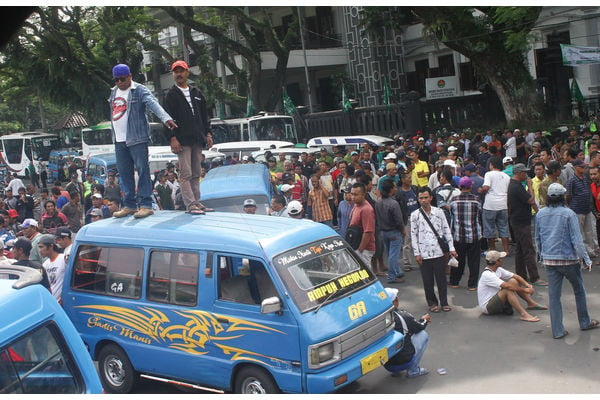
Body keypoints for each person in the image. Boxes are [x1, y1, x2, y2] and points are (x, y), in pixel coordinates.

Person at [109, 63, 177, 219]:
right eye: (117, 80)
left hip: (137, 138)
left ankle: (146, 204)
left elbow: (153, 104)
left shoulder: (139, 90)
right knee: (125, 173)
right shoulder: (113, 92)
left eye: (122, 79)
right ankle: (129, 205)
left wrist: (165, 118)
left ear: (130, 76)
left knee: (142, 170)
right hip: (119, 140)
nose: (119, 82)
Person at [535, 183, 599, 339]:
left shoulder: (540, 214)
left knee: (554, 296)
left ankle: (557, 331)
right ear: (563, 197)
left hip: (550, 261)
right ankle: (585, 322)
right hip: (569, 260)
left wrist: (541, 256)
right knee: (579, 290)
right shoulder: (568, 214)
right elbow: (577, 240)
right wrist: (586, 259)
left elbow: (537, 238)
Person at [163, 60, 214, 215]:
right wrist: (172, 138)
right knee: (185, 173)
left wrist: (208, 133)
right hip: (182, 140)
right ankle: (190, 204)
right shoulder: (170, 95)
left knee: (197, 172)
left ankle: (197, 201)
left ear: (187, 72)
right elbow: (166, 119)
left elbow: (205, 116)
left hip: (197, 138)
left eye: (181, 71)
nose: (179, 74)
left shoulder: (196, 93)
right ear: (173, 74)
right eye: (176, 71)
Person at [410, 187, 457, 312]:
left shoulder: (439, 212)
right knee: (428, 280)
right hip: (424, 253)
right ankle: (432, 303)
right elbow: (413, 235)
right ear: (418, 200)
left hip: (439, 251)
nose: (424, 200)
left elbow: (447, 230)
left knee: (441, 279)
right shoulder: (415, 215)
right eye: (421, 198)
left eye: (426, 197)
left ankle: (444, 302)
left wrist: (451, 247)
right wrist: (417, 253)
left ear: (431, 198)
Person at [477, 250, 545, 322]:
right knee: (507, 290)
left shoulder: (498, 269)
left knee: (513, 281)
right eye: (500, 259)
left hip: (497, 299)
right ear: (497, 262)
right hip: (487, 307)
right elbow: (507, 286)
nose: (502, 260)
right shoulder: (487, 274)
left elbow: (515, 276)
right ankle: (524, 314)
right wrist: (525, 290)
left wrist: (527, 285)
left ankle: (531, 303)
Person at [507, 163, 546, 286]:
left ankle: (521, 275)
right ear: (519, 173)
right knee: (528, 249)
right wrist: (530, 186)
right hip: (521, 222)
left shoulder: (514, 185)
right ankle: (534, 277)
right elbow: (530, 199)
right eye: (524, 172)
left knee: (520, 249)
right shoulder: (516, 186)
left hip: (517, 220)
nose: (526, 175)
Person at [383, 287, 430, 378]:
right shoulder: (403, 316)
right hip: (404, 361)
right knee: (423, 334)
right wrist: (424, 319)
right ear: (395, 300)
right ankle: (413, 371)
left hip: (387, 364)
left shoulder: (378, 318)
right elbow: (419, 327)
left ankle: (396, 372)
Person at [449, 177, 482, 290]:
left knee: (459, 259)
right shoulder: (476, 200)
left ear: (460, 187)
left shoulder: (454, 200)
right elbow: (479, 215)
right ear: (470, 187)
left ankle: (454, 282)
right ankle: (472, 285)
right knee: (474, 261)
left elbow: (452, 217)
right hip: (474, 235)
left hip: (459, 235)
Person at [375, 180, 405, 284]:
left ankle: (397, 271)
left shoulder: (378, 202)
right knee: (393, 254)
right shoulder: (393, 203)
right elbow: (399, 220)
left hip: (383, 231)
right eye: (394, 187)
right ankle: (392, 276)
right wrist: (402, 229)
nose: (396, 189)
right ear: (391, 190)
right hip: (394, 232)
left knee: (389, 253)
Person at [479, 156, 511, 254]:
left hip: (490, 205)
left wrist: (481, 190)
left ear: (492, 165)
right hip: (503, 204)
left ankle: (493, 250)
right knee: (503, 227)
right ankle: (506, 250)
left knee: (489, 227)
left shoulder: (489, 174)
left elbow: (486, 187)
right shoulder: (506, 176)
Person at [39, 235, 66, 303]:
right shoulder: (45, 264)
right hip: (52, 302)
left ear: (51, 246)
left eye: (41, 247)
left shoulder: (63, 259)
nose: (40, 250)